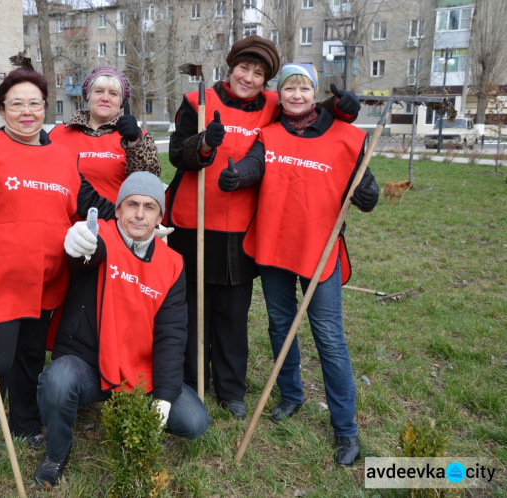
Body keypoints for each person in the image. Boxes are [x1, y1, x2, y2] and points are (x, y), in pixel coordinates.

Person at [166, 35, 360, 419]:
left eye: (259, 73)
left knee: (233, 314)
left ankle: (231, 389)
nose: (249, 78)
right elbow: (177, 154)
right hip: (193, 223)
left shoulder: (273, 105)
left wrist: (344, 109)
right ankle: (193, 383)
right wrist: (204, 145)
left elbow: (308, 112)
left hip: (242, 227)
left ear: (266, 80)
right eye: (244, 68)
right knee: (192, 310)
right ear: (231, 67)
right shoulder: (196, 102)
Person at [0, 67, 115, 489]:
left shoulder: (62, 155)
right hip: (0, 279)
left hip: (49, 279)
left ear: (45, 107)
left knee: (31, 356)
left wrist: (138, 221)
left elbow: (91, 206)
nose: (26, 111)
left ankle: (22, 421)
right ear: (1, 108)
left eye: (35, 103)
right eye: (16, 103)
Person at [218, 63, 379, 466]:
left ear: (313, 93)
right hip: (275, 248)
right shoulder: (269, 135)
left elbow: (367, 188)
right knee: (280, 325)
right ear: (281, 93)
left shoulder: (345, 137)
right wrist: (238, 177)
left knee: (329, 338)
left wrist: (367, 193)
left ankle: (345, 429)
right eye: (288, 88)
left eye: (303, 88)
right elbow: (258, 164)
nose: (295, 95)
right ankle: (291, 394)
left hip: (319, 253)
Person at [33, 172, 211, 489]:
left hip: (141, 374)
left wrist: (165, 399)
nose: (139, 214)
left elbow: (172, 336)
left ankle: (137, 419)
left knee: (196, 421)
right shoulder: (98, 235)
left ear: (160, 216)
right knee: (58, 382)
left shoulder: (172, 264)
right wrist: (76, 245)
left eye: (149, 206)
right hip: (89, 365)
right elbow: (85, 258)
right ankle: (56, 455)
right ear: (117, 210)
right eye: (131, 205)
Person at [49, 65, 161, 202]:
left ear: (121, 102)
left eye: (113, 94)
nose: (105, 98)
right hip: (66, 221)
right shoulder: (59, 133)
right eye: (99, 91)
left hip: (114, 220)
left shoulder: (138, 137)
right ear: (88, 96)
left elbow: (149, 181)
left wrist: (134, 142)